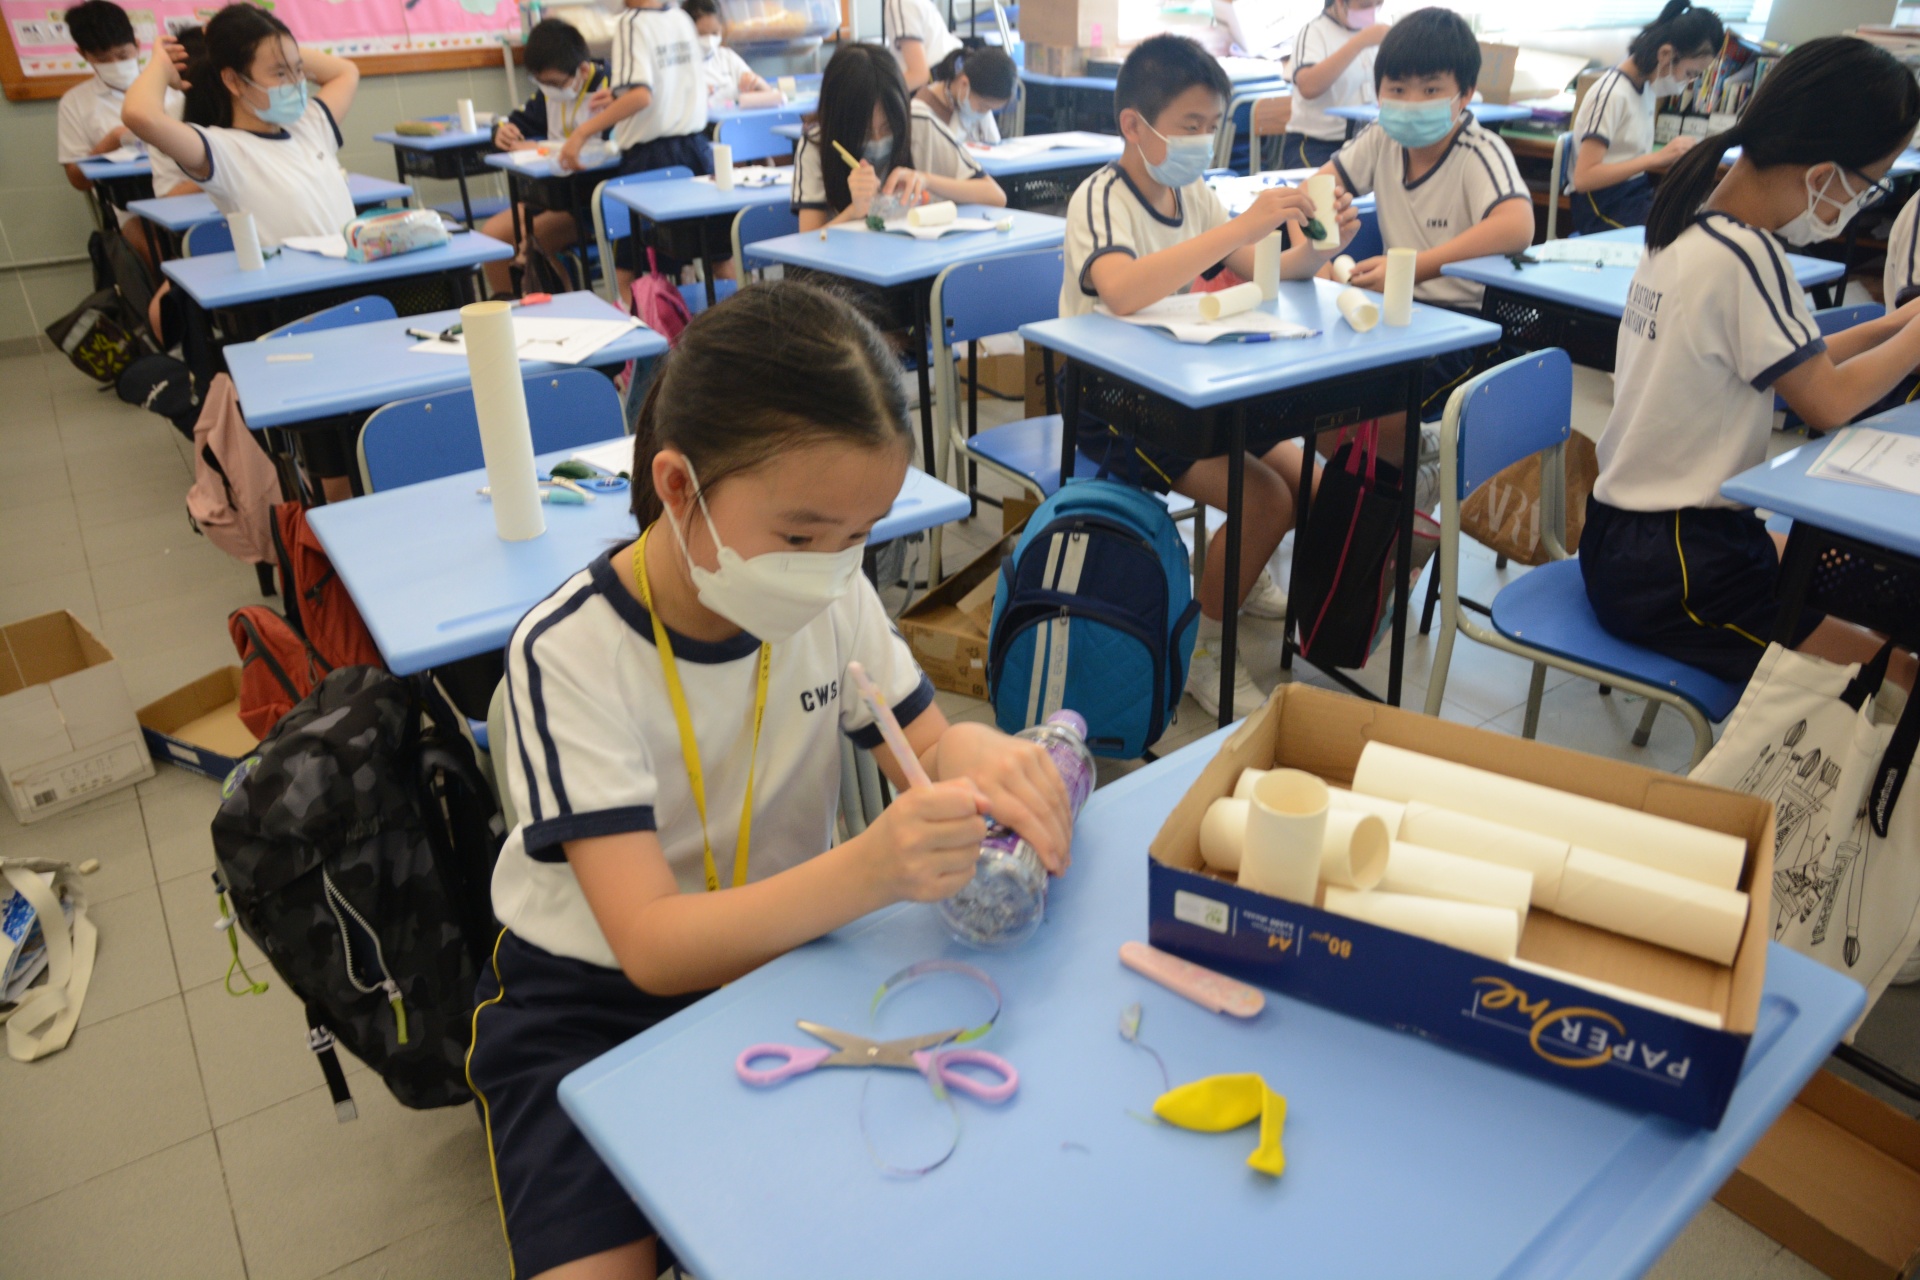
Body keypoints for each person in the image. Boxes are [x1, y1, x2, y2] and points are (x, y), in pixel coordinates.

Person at [466, 279, 1075, 1280]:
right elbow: (651, 944)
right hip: (594, 1002)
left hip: (793, 953)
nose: (832, 568)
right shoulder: (568, 653)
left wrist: (980, 757)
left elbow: (923, 743)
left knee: (896, 1214)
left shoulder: (830, 598)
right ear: (678, 486)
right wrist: (873, 868)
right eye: (800, 537)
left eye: (861, 534)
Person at [1581, 35, 1920, 693]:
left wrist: (1893, 324)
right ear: (1823, 176)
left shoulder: (1689, 218)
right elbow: (1825, 400)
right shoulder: (1748, 259)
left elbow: (1795, 362)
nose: (1863, 202)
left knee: (1862, 584)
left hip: (1633, 537)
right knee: (1897, 673)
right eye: (1870, 184)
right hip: (1681, 567)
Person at [1061, 34, 1361, 718]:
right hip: (1117, 402)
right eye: (1189, 125)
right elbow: (1122, 291)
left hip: (1191, 389)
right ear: (1134, 126)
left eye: (1211, 125)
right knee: (1267, 500)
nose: (1202, 140)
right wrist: (1239, 228)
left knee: (1312, 484)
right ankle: (1203, 649)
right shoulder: (1100, 198)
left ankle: (1238, 576)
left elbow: (1268, 272)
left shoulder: (1191, 193)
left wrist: (1321, 248)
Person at [123, 5, 360, 500]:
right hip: (295, 316)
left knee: (370, 439)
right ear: (232, 80)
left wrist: (270, 41)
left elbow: (345, 71)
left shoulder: (311, 124)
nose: (296, 83)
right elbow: (140, 115)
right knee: (334, 462)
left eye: (298, 71)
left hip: (356, 296)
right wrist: (160, 67)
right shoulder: (220, 150)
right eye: (279, 74)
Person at [1323, 7, 1532, 453]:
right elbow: (1320, 187)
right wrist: (1321, 249)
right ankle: (1365, 484)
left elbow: (1517, 225)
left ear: (1465, 94)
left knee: (1385, 413)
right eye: (1398, 89)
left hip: (1469, 326)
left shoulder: (1479, 150)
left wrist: (1414, 269)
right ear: (1378, 91)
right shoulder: (1382, 137)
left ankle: (1405, 481)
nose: (1412, 103)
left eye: (1431, 89)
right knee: (1323, 401)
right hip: (1399, 315)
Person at [556, 0, 709, 297]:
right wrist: (618, 94)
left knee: (628, 272)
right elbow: (666, 85)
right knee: (715, 257)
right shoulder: (680, 18)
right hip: (695, 151)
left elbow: (641, 96)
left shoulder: (632, 23)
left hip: (652, 161)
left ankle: (645, 326)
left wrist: (582, 133)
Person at [793, 42, 1004, 232]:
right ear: (840, 122)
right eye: (865, 132)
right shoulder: (816, 144)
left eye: (888, 129)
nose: (878, 139)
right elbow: (807, 244)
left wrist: (926, 179)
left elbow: (995, 196)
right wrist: (853, 212)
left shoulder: (919, 123)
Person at [481, 18, 613, 296]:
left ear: (583, 70)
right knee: (493, 238)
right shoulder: (549, 94)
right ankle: (512, 307)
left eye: (553, 82)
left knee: (531, 244)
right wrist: (501, 132)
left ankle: (560, 308)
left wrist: (542, 148)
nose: (547, 89)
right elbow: (517, 122)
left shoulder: (612, 90)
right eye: (540, 82)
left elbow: (612, 152)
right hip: (551, 196)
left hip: (590, 201)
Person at [1567, 0, 1723, 234]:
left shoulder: (1646, 88)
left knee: (1700, 221)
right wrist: (1656, 158)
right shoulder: (1611, 94)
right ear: (1666, 54)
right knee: (1676, 234)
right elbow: (1584, 178)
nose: (1687, 82)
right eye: (1690, 73)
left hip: (1632, 195)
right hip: (1600, 206)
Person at [59, 0, 182, 272]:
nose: (115, 64)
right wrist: (113, 139)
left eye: (123, 55)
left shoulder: (173, 86)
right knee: (157, 255)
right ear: (83, 54)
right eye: (103, 60)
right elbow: (77, 180)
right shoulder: (75, 102)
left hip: (181, 188)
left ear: (137, 45)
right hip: (129, 206)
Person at [1278, 0, 1386, 170]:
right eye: (1365, 6)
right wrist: (1360, 42)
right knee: (1328, 184)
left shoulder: (1379, 31)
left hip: (1365, 140)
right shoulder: (1314, 32)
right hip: (1317, 143)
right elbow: (1308, 86)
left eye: (1378, 4)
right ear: (1340, 3)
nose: (1372, 11)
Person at [913, 46, 1015, 147]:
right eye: (983, 107)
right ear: (964, 84)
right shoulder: (922, 110)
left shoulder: (971, 99)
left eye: (990, 109)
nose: (984, 113)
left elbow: (993, 144)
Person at [683, 0, 770, 103]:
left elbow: (770, 95)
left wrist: (756, 82)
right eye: (701, 34)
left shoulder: (727, 58)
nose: (709, 40)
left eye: (714, 33)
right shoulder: (680, 66)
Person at [883, 0, 960, 91]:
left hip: (937, 78)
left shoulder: (900, 3)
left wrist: (880, 95)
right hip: (952, 71)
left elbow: (918, 75)